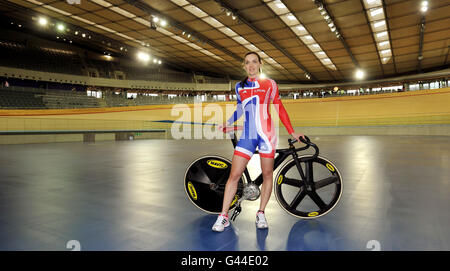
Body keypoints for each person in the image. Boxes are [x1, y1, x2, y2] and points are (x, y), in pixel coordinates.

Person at [212, 52, 305, 232]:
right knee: (234, 175)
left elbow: (280, 108)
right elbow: (239, 109)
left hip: (267, 135)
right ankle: (223, 216)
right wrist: (228, 123)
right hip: (248, 135)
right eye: (248, 63)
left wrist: (292, 131)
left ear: (260, 64)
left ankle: (261, 213)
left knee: (267, 173)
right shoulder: (239, 86)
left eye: (254, 62)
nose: (251, 65)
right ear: (244, 66)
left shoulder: (270, 84)